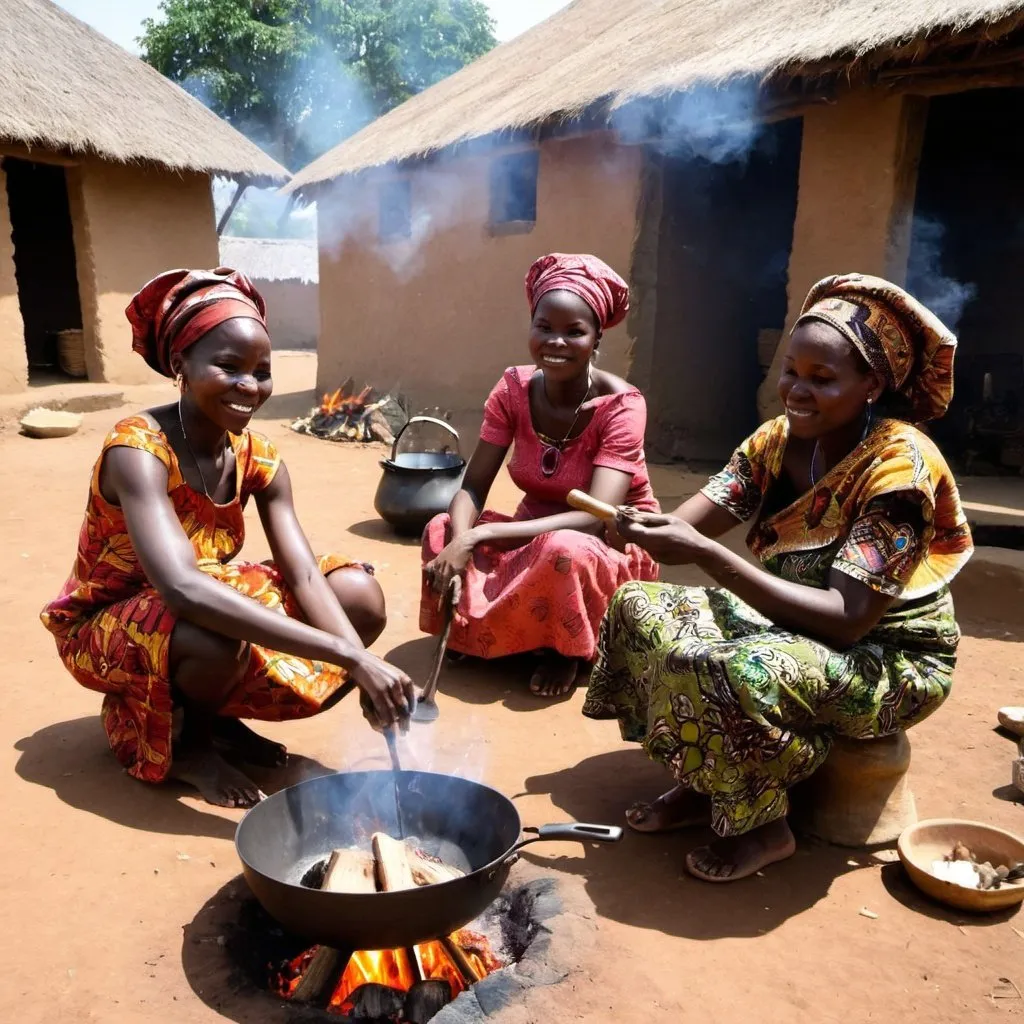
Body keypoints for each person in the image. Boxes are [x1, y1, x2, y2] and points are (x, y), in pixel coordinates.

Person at [583, 273, 974, 882]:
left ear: (872, 384)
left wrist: (711, 558)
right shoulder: (777, 440)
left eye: (823, 379)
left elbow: (847, 622)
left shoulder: (901, 473)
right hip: (793, 623)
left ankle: (763, 827)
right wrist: (639, 527)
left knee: (729, 666)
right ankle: (704, 781)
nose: (797, 390)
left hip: (888, 659)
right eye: (791, 371)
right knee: (638, 605)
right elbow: (692, 526)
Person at [41, 268, 415, 809]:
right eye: (228, 366)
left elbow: (306, 573)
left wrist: (363, 662)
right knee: (213, 633)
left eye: (262, 371)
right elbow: (182, 590)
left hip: (195, 603)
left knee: (355, 594)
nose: (249, 386)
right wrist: (349, 658)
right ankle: (189, 746)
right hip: (110, 620)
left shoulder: (256, 455)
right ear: (180, 366)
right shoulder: (138, 449)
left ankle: (217, 720)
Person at [422, 253, 660, 697]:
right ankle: (483, 633)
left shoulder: (622, 406)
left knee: (563, 548)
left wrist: (475, 540)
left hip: (603, 543)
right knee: (440, 528)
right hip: (533, 535)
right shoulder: (513, 389)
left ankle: (564, 649)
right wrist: (459, 537)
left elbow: (596, 516)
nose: (556, 342)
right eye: (544, 328)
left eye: (574, 332)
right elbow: (473, 485)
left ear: (596, 338)